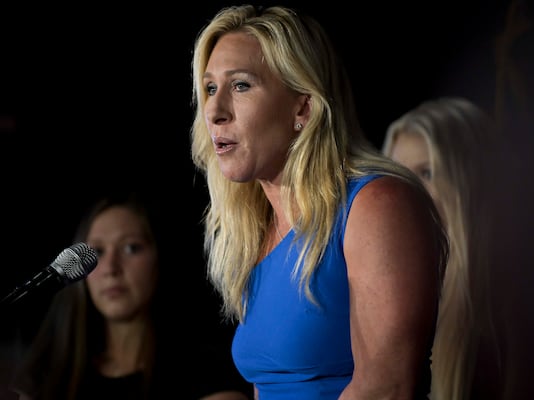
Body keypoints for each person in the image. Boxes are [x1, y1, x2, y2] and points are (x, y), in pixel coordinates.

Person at [189, 5, 449, 400]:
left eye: (240, 85)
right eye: (210, 88)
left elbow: (387, 389)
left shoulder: (376, 204)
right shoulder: (254, 231)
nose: (214, 110)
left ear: (303, 108)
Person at [11, 190, 252, 400]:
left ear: (160, 258)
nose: (111, 268)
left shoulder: (204, 371)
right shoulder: (47, 376)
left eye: (131, 248)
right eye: (96, 252)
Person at [381, 96, 503, 400]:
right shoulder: (392, 296)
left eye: (427, 172)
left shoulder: (506, 310)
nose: (408, 190)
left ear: (469, 179)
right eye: (400, 173)